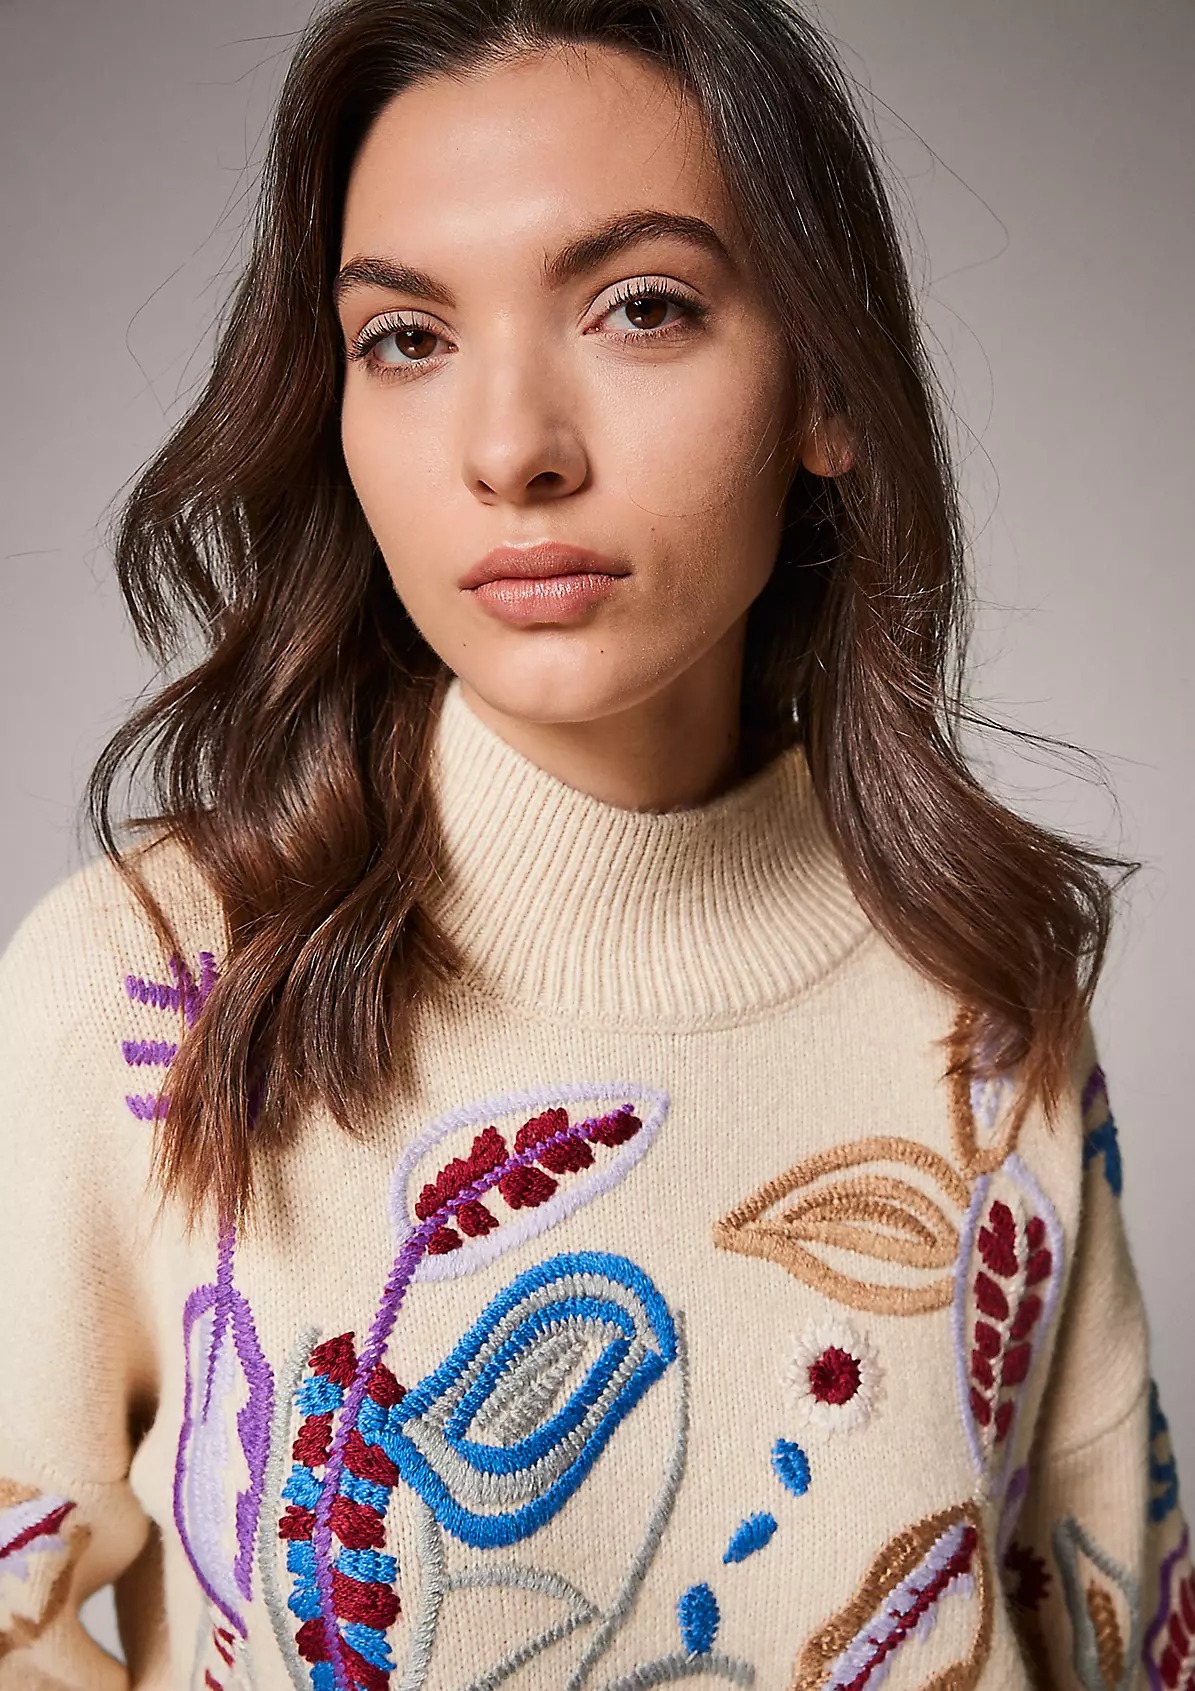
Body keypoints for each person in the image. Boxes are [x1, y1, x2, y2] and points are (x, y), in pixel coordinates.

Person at [0, 0, 1186, 1685]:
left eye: (642, 308)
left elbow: (1125, 1641)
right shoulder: (148, 993)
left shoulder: (988, 1007)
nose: (511, 451)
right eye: (407, 338)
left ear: (824, 390)